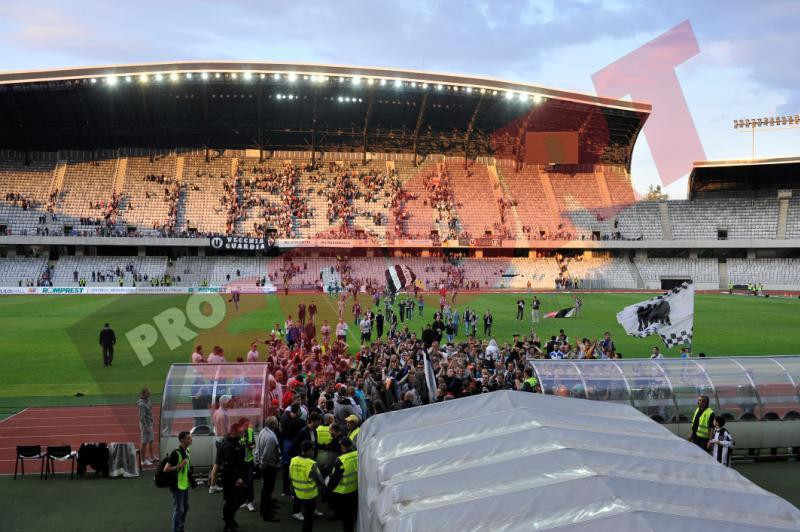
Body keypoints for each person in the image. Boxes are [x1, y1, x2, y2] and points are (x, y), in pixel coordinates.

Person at [290, 440, 325, 532]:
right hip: (309, 495)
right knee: (308, 520)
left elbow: (290, 476)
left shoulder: (293, 460)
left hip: (297, 493)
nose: (313, 451)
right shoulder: (311, 464)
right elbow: (320, 480)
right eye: (312, 449)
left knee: (306, 517)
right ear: (309, 450)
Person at [163, 430, 194, 532]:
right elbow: (166, 469)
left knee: (185, 508)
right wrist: (179, 466)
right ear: (182, 440)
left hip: (184, 485)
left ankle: (180, 528)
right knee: (179, 509)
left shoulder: (187, 450)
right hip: (177, 486)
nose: (191, 439)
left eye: (191, 437)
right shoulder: (176, 453)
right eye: (188, 438)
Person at [218, 423, 246, 532]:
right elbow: (229, 465)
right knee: (231, 501)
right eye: (240, 432)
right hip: (230, 478)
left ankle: (230, 520)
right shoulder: (228, 445)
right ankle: (228, 524)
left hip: (235, 476)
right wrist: (237, 479)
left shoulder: (235, 442)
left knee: (237, 500)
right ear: (234, 432)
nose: (242, 433)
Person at [328, 437, 358, 532]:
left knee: (347, 518)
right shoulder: (358, 454)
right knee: (356, 513)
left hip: (344, 493)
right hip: (356, 489)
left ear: (343, 446)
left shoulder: (341, 460)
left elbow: (334, 478)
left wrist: (329, 489)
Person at [256, 416, 281, 522]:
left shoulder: (263, 431)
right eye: (277, 422)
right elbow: (267, 454)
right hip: (269, 466)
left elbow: (258, 449)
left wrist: (259, 462)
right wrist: (263, 465)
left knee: (266, 489)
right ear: (273, 424)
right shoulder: (270, 437)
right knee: (267, 489)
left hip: (266, 465)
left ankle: (264, 509)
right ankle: (267, 514)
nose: (278, 424)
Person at [239, 418, 257, 512]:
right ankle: (244, 500)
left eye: (247, 425)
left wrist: (251, 446)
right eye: (245, 425)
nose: (247, 426)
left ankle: (250, 501)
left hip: (249, 460)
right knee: (242, 481)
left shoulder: (250, 431)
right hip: (241, 461)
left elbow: (254, 444)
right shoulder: (238, 433)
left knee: (250, 481)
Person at [138, 387, 156, 464]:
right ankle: (143, 460)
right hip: (145, 425)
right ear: (143, 394)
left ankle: (152, 457)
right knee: (144, 442)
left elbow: (150, 412)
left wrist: (153, 420)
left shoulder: (149, 401)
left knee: (151, 440)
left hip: (149, 423)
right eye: (148, 393)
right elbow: (142, 418)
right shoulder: (141, 404)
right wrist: (145, 428)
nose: (150, 394)